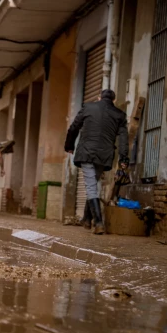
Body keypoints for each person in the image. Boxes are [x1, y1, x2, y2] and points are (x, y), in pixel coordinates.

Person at [65, 89, 129, 235]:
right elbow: (124, 139)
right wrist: (124, 158)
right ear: (113, 100)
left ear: (99, 98)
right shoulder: (119, 114)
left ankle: (99, 223)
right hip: (104, 155)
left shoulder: (88, 107)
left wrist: (69, 145)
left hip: (87, 152)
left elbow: (74, 127)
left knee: (91, 186)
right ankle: (87, 220)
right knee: (92, 184)